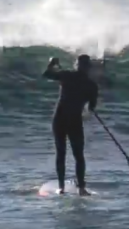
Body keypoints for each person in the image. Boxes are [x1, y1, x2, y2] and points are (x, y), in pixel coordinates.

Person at [42, 54, 98, 196]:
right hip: (69, 120)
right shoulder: (91, 85)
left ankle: (65, 187)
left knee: (69, 154)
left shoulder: (68, 76)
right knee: (73, 154)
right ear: (88, 68)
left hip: (64, 119)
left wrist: (51, 63)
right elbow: (91, 108)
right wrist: (87, 110)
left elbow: (47, 74)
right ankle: (78, 188)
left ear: (77, 65)